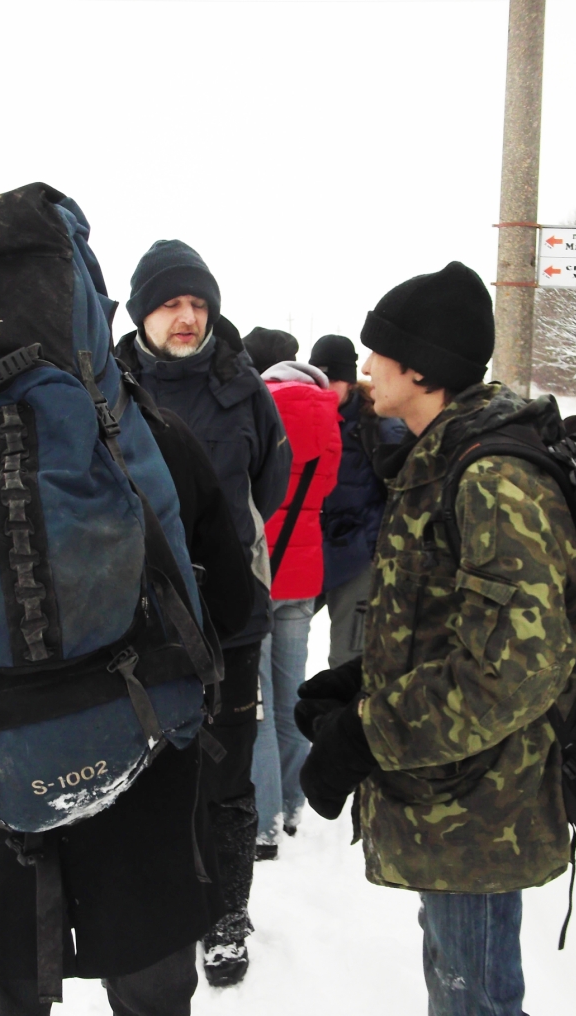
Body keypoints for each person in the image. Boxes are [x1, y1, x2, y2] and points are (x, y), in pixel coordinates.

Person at [296, 262, 576, 1016]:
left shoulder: (492, 477)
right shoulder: (439, 458)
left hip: (480, 807)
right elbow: (448, 622)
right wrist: (361, 681)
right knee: (458, 986)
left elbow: (514, 668)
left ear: (421, 369)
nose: (365, 367)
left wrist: (366, 735)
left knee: (475, 1001)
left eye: (380, 351)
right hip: (449, 793)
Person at [0, 407, 254, 1016]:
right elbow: (231, 602)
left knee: (6, 985)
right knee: (150, 984)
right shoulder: (147, 431)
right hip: (144, 765)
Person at [115, 241, 292, 987]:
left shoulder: (243, 387)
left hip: (231, 620)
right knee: (147, 772)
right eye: (170, 304)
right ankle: (162, 906)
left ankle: (226, 916)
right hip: (135, 623)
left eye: (198, 303)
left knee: (226, 772)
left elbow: (271, 483)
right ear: (141, 314)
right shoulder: (104, 385)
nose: (187, 317)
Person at [242, 330, 341, 859]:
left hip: (261, 570)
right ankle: (294, 805)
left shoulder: (261, 406)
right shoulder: (328, 414)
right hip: (303, 575)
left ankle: (264, 824)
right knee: (291, 698)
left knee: (256, 705)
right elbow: (325, 488)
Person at [308, 335, 404, 668]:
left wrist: (377, 544)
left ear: (349, 381)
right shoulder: (306, 416)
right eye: (319, 379)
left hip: (359, 554)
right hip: (312, 550)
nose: (325, 387)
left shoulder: (377, 424)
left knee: (347, 659)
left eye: (333, 379)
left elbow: (401, 493)